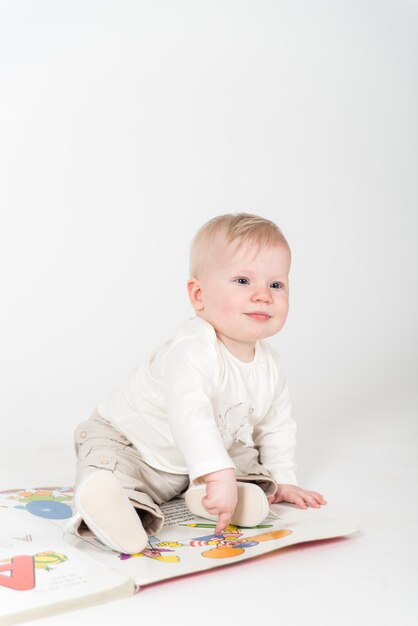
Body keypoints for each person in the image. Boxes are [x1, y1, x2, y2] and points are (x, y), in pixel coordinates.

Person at [67, 213, 326, 554]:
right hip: (131, 443)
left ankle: (214, 495)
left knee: (242, 455)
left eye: (276, 285)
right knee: (112, 472)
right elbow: (190, 414)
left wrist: (285, 478)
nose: (263, 295)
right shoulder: (192, 348)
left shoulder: (270, 364)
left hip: (198, 457)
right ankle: (113, 510)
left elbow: (276, 425)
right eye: (243, 281)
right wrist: (219, 475)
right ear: (198, 294)